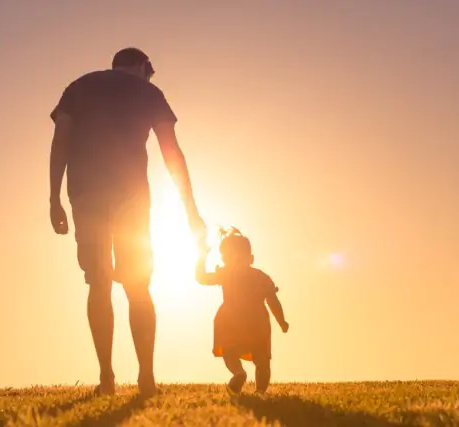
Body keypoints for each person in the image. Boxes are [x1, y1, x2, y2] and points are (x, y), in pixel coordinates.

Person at [48, 47, 206, 396]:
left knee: (98, 283)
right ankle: (146, 377)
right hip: (131, 197)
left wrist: (53, 198)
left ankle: (106, 378)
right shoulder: (149, 92)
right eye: (149, 73)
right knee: (138, 286)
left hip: (86, 195)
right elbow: (172, 153)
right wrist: (190, 209)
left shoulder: (78, 87)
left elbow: (60, 141)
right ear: (141, 68)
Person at [195, 227, 289, 394]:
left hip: (231, 321)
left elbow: (201, 278)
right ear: (251, 258)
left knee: (230, 352)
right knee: (262, 360)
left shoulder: (226, 274)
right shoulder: (261, 277)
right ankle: (260, 391)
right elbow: (273, 301)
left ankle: (238, 372)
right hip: (257, 323)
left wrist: (201, 255)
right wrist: (281, 321)